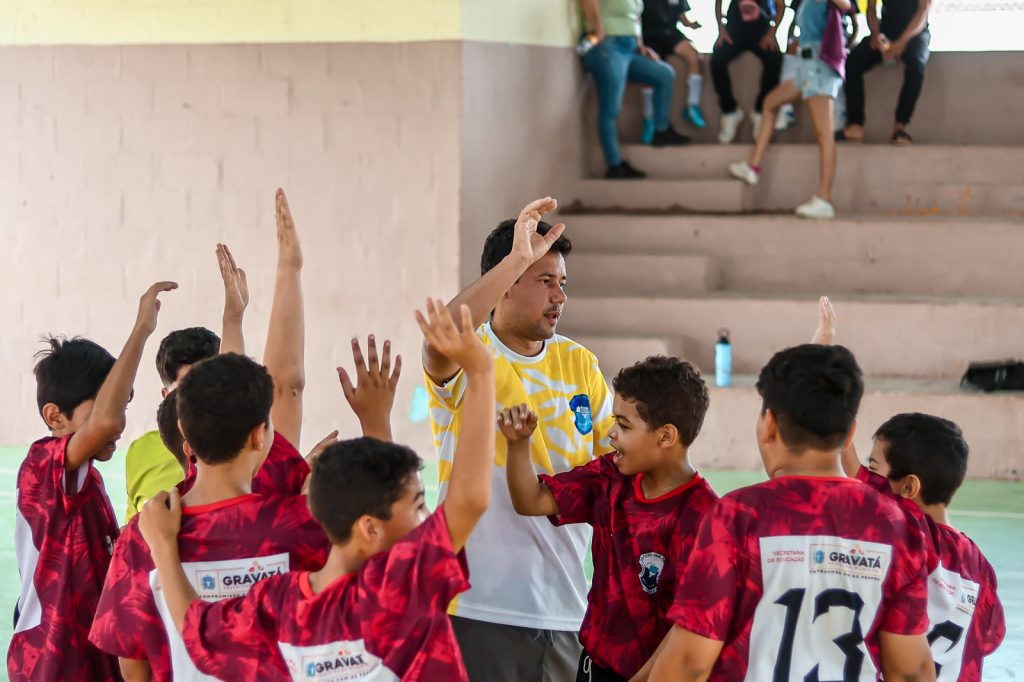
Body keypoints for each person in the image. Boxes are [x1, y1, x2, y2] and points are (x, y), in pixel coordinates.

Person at [138, 300, 496, 681]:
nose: (427, 517)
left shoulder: (278, 604)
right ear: (369, 528)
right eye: (419, 504)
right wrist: (480, 371)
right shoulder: (399, 585)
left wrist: (164, 549)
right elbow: (470, 499)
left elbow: (197, 633)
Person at [88, 189, 338, 680]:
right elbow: (287, 383)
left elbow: (131, 660)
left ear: (185, 443)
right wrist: (289, 270)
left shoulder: (146, 533)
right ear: (260, 437)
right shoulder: (298, 523)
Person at [649, 344, 936, 681]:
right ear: (850, 434)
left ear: (769, 424)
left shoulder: (737, 516)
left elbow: (689, 662)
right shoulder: (897, 524)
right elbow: (910, 671)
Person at [423, 198, 615, 682]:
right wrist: (516, 259)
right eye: (545, 280)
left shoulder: (581, 365)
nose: (560, 296)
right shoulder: (472, 355)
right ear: (505, 284)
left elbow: (615, 471)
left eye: (563, 283)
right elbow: (441, 336)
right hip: (475, 606)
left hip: (566, 610)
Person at [503, 356, 718, 681]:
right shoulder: (609, 477)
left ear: (666, 436)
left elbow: (686, 629)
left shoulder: (704, 517)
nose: (611, 434)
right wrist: (518, 444)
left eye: (624, 425)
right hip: (592, 668)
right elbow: (530, 500)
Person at [8, 281, 178, 681]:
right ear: (55, 416)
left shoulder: (90, 481)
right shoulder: (42, 466)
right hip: (51, 662)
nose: (119, 422)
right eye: (103, 404)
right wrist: (142, 330)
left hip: (93, 656)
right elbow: (106, 422)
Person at [843, 414, 1006, 679]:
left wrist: (836, 419)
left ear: (909, 486)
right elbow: (990, 638)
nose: (868, 476)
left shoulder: (909, 533)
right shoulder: (979, 564)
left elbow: (853, 475)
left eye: (873, 468)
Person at [124, 243, 247, 521]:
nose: (200, 403)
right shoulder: (140, 452)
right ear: (166, 397)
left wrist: (234, 320)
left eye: (209, 389)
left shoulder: (248, 446)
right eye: (188, 391)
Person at [728, 0, 853, 219]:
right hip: (806, 66)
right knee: (770, 103)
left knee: (824, 135)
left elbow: (845, 5)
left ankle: (824, 200)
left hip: (820, 68)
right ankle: (753, 167)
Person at [579, 0, 691, 179]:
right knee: (611, 107)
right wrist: (599, 30)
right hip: (609, 46)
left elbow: (635, 17)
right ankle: (614, 164)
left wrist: (641, 46)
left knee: (664, 74)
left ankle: (661, 131)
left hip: (630, 48)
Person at [837, 0, 932, 144]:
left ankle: (900, 126)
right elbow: (871, 9)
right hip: (886, 32)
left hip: (915, 33)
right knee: (852, 62)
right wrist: (875, 34)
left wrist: (901, 42)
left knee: (916, 66)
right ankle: (855, 125)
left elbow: (923, 11)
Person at [710, 0, 785, 143]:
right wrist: (721, 30)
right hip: (734, 31)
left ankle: (759, 111)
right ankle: (730, 111)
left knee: (774, 59)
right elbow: (718, 2)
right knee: (717, 59)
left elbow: (781, 6)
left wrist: (771, 33)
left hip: (760, 33)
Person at [641, 0, 708, 137]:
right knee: (649, 71)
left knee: (693, 55)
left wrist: (692, 24)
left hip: (670, 33)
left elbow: (682, 15)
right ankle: (649, 118)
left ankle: (692, 106)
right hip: (649, 35)